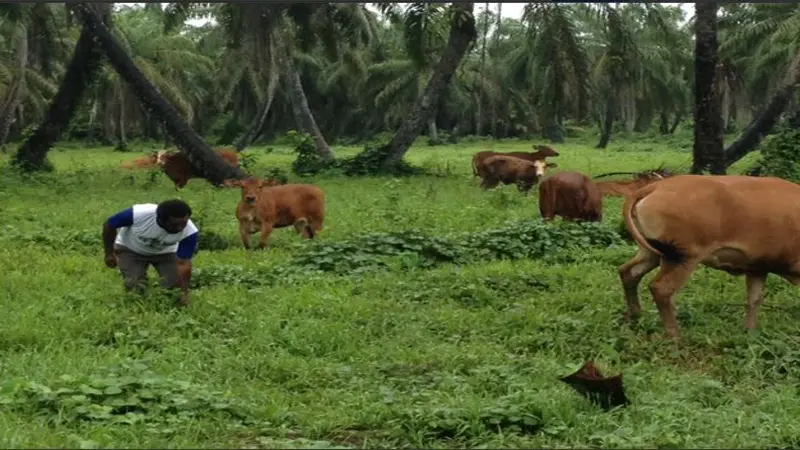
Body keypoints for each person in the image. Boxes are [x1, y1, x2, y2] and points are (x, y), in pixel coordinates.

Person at [102, 199, 199, 306]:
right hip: (131, 250)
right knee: (135, 286)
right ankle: (138, 309)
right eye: (174, 225)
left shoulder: (190, 232)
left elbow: (183, 264)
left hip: (166, 253)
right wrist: (109, 253)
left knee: (174, 288)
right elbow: (109, 224)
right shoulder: (139, 214)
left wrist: (184, 293)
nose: (180, 228)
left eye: (184, 223)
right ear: (160, 219)